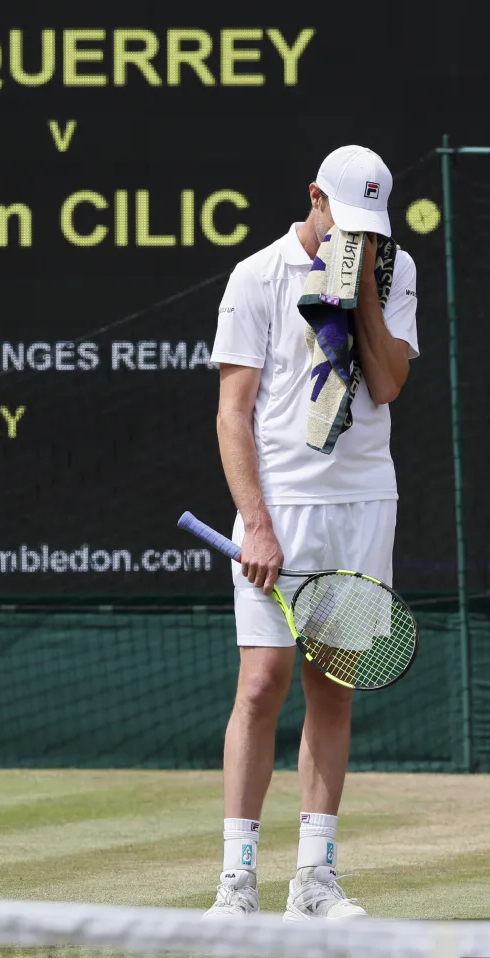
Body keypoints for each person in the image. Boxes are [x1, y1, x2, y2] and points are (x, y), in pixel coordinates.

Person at [205, 145, 419, 921]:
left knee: (331, 689)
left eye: (369, 226)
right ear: (313, 200)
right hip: (281, 511)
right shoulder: (255, 276)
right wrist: (256, 523)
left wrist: (359, 285)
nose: (354, 235)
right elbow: (234, 412)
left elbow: (388, 382)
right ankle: (236, 882)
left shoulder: (394, 270)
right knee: (260, 685)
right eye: (343, 221)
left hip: (363, 507)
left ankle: (315, 879)